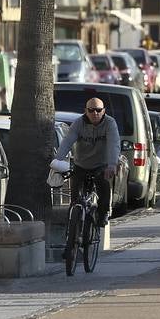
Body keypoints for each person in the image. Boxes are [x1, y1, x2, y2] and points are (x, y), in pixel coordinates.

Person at [52, 97, 122, 228]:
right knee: (75, 197)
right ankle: (73, 224)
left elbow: (114, 144)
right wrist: (58, 160)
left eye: (98, 110)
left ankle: (103, 214)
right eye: (91, 110)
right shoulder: (78, 123)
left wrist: (112, 165)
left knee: (104, 185)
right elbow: (67, 142)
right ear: (86, 111)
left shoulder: (110, 123)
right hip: (81, 164)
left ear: (104, 111)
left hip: (101, 164)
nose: (94, 113)